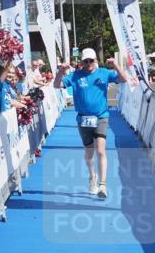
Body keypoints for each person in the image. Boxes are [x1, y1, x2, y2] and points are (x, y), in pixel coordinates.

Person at [55, 48, 132, 200]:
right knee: (89, 153)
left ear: (96, 60)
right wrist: (61, 71)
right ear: (82, 62)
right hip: (83, 119)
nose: (89, 63)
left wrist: (115, 65)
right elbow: (56, 85)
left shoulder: (104, 73)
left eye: (91, 60)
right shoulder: (75, 75)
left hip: (101, 116)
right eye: (86, 61)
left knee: (101, 150)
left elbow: (124, 79)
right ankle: (92, 177)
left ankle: (102, 185)